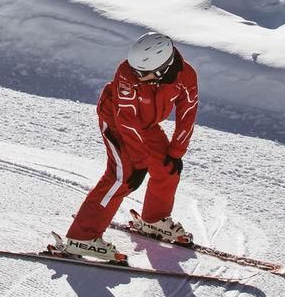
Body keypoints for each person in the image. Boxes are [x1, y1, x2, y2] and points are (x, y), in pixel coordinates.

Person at [55, 31, 200, 261]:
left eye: (142, 73)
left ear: (162, 70)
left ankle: (154, 219)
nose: (136, 75)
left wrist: (176, 151)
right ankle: (82, 237)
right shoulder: (126, 72)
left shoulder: (186, 76)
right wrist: (140, 162)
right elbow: (126, 119)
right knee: (123, 176)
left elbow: (188, 113)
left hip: (147, 124)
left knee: (168, 169)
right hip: (115, 120)